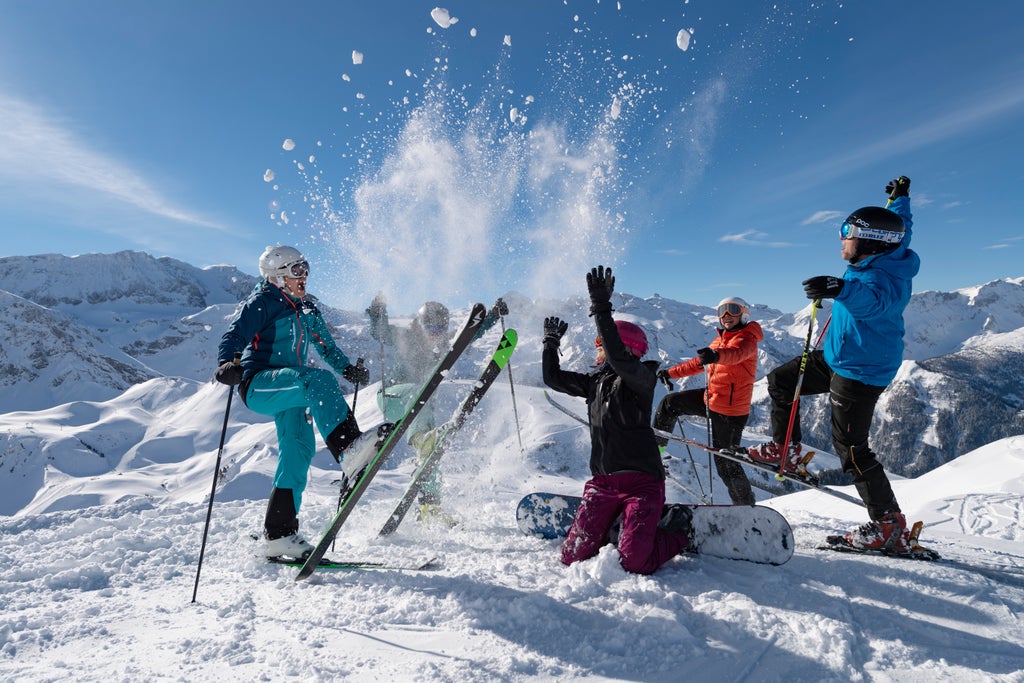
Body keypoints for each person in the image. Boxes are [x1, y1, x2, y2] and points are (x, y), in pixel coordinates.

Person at [747, 176, 917, 552]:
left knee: (852, 449)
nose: (842, 238)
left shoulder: (884, 277)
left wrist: (841, 290)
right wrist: (898, 199)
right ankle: (785, 450)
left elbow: (875, 303)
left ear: (870, 241)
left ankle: (888, 525)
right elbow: (900, 228)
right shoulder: (888, 248)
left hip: (861, 370)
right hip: (840, 357)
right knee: (780, 380)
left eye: (848, 232)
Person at [215, 245, 388, 560]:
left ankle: (279, 534)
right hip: (259, 384)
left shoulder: (308, 310)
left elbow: (327, 347)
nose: (304, 276)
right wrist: (228, 363)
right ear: (278, 276)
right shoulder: (263, 302)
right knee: (317, 380)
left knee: (299, 450)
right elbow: (234, 335)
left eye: (306, 268)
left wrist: (348, 369)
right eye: (296, 270)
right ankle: (349, 450)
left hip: (291, 386)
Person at [542, 265, 692, 575]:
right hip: (602, 483)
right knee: (571, 557)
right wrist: (551, 343)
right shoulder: (594, 383)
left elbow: (619, 359)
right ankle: (616, 523)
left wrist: (600, 307)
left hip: (643, 485)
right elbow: (552, 378)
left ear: (623, 349)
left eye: (601, 347)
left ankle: (677, 532)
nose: (597, 352)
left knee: (634, 562)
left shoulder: (641, 379)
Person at [366, 294, 506, 523]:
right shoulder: (405, 337)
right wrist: (377, 309)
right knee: (418, 392)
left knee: (431, 455)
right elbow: (379, 332)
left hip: (419, 407)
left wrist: (491, 317)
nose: (436, 333)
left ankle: (430, 507)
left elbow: (469, 336)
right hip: (392, 397)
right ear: (419, 326)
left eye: (441, 328)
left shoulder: (444, 346)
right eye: (430, 327)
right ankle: (422, 439)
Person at [653, 296, 762, 506]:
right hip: (710, 399)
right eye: (721, 311)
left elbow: (735, 354)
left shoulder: (747, 339)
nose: (726, 315)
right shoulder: (719, 339)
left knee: (725, 464)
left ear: (744, 313)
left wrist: (716, 355)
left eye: (732, 310)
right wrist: (670, 373)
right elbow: (697, 363)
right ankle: (656, 453)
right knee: (669, 404)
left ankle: (746, 508)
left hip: (730, 412)